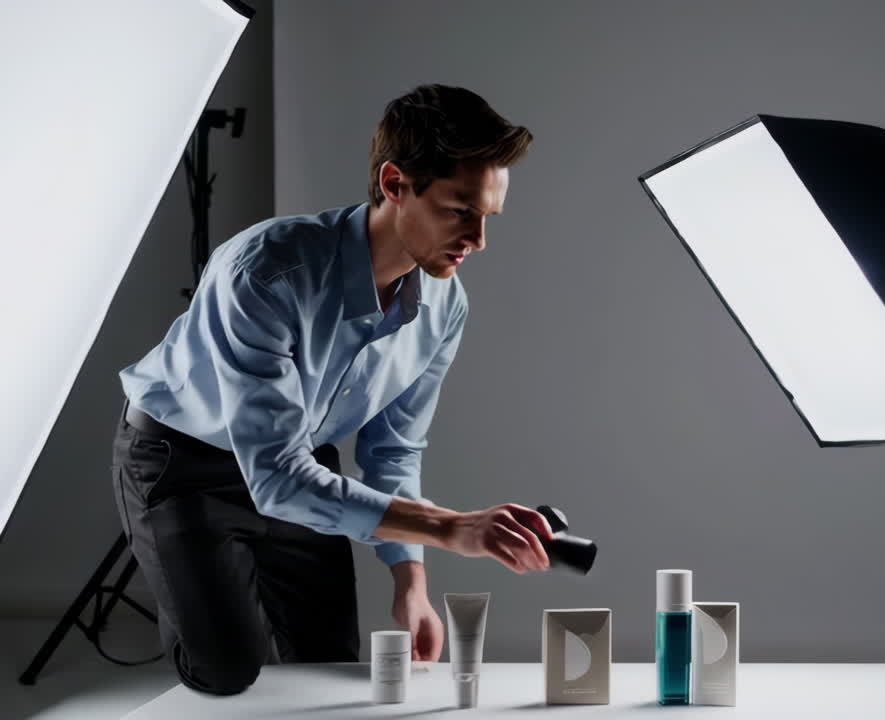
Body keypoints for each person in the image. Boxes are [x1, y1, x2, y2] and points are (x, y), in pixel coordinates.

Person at [111, 84, 553, 696]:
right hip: (181, 461)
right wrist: (452, 528)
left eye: (487, 216)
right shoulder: (264, 272)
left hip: (302, 459)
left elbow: (393, 449)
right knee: (227, 669)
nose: (478, 238)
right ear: (396, 184)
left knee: (325, 662)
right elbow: (278, 479)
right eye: (459, 210)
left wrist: (411, 583)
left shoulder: (445, 303)